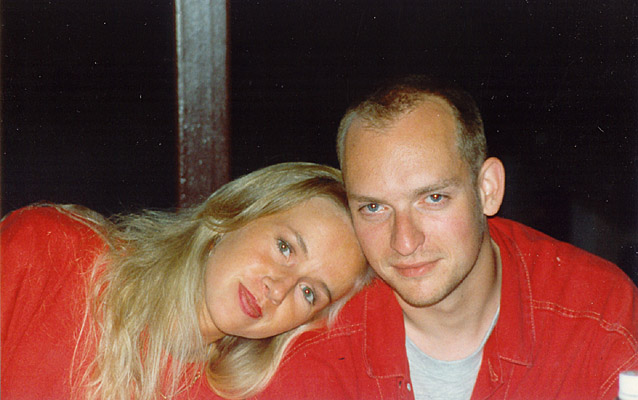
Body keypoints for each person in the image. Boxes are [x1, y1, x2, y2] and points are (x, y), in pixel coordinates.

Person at [254, 76, 638, 400]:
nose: (404, 243)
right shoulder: (312, 341)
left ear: (487, 189)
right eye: (374, 208)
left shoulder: (600, 313)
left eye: (433, 198)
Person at [1, 162, 371, 400]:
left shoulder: (228, 392)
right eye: (285, 247)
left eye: (309, 293)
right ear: (236, 214)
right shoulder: (50, 253)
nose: (278, 288)